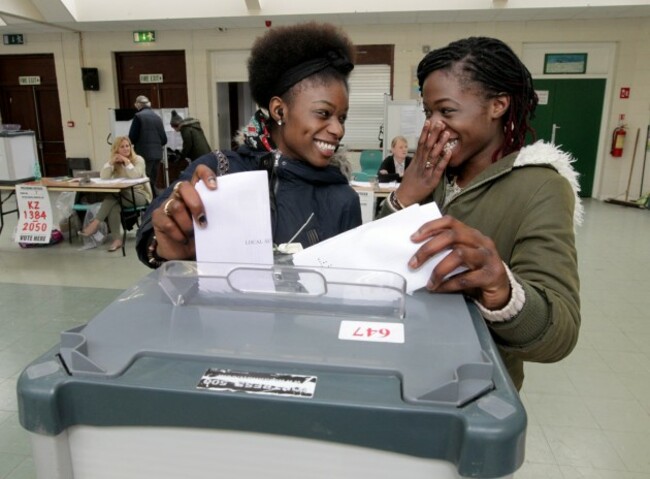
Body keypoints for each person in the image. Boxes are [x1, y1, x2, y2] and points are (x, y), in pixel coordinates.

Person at [378, 37, 582, 390]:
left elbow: (559, 334)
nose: (433, 126)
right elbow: (375, 266)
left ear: (498, 105)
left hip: (474, 389)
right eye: (428, 113)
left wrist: (501, 287)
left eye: (447, 111)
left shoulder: (541, 186)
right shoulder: (431, 174)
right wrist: (403, 197)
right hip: (400, 365)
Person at [135, 22, 362, 267]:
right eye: (323, 113)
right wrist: (165, 242)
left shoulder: (343, 199)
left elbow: (347, 289)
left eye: (342, 118)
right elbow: (153, 231)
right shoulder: (217, 170)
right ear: (279, 110)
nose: (338, 129)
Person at [79, 136, 153, 252]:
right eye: (122, 147)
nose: (126, 149)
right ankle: (117, 240)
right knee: (114, 207)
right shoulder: (115, 162)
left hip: (139, 194)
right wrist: (110, 163)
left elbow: (135, 175)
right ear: (116, 149)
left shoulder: (138, 159)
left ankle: (95, 224)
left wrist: (127, 162)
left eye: (127, 146)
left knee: (111, 197)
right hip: (120, 196)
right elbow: (104, 176)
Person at [128, 95, 167, 194]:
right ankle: (155, 200)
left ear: (138, 105)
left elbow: (132, 137)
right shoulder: (158, 118)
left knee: (145, 180)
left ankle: (149, 202)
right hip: (157, 154)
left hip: (144, 154)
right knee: (153, 180)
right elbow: (164, 139)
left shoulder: (138, 116)